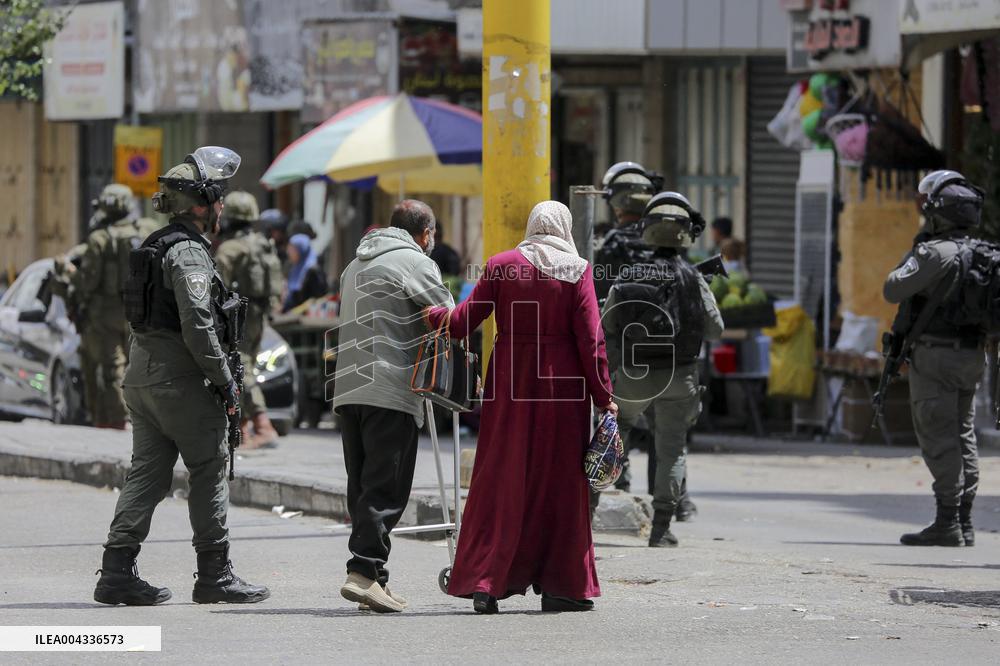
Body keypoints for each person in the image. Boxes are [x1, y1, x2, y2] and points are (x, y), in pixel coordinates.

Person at [93, 146, 269, 606]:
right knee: (210, 467)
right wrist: (227, 382)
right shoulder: (189, 253)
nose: (223, 207)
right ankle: (215, 574)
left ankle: (116, 570)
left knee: (148, 476)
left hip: (142, 378)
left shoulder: (153, 246)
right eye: (218, 197)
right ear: (202, 204)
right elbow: (198, 325)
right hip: (181, 382)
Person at [426, 201, 617, 615]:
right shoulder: (578, 270)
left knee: (502, 475)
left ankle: (485, 583)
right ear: (563, 228)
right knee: (561, 483)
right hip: (563, 389)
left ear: (532, 226)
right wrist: (604, 395)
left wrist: (433, 314)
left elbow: (461, 323)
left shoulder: (501, 265)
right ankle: (563, 587)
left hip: (510, 384)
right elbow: (591, 339)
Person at [332, 199, 454, 613]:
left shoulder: (354, 264)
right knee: (386, 487)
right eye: (432, 235)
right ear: (425, 233)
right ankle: (363, 572)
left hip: (349, 390)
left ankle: (375, 582)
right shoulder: (415, 262)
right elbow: (448, 317)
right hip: (390, 389)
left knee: (363, 484)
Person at [602, 191, 724, 548]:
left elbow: (607, 325)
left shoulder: (630, 274)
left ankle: (589, 509)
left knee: (613, 436)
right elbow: (716, 329)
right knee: (672, 449)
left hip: (634, 376)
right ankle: (661, 529)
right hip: (681, 376)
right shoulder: (692, 277)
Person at [883, 170, 987, 547]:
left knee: (939, 437)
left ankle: (946, 523)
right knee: (964, 435)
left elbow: (893, 288)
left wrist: (918, 249)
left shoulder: (934, 253)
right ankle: (964, 520)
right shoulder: (982, 253)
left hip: (936, 358)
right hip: (973, 357)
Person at [70, 184, 147, 429]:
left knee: (113, 367)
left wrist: (72, 274)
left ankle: (120, 418)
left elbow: (88, 281)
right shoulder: (145, 230)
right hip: (138, 311)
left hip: (105, 313)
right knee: (138, 365)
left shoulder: (99, 238)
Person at [215, 190, 285, 449]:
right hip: (257, 315)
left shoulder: (231, 248)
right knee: (245, 366)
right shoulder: (261, 243)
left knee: (241, 367)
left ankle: (263, 425)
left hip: (237, 316)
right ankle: (241, 430)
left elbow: (216, 284)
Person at [282, 233, 327, 312]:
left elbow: (317, 299)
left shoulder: (313, 271)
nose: (288, 253)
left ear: (301, 250)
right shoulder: (294, 269)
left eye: (292, 249)